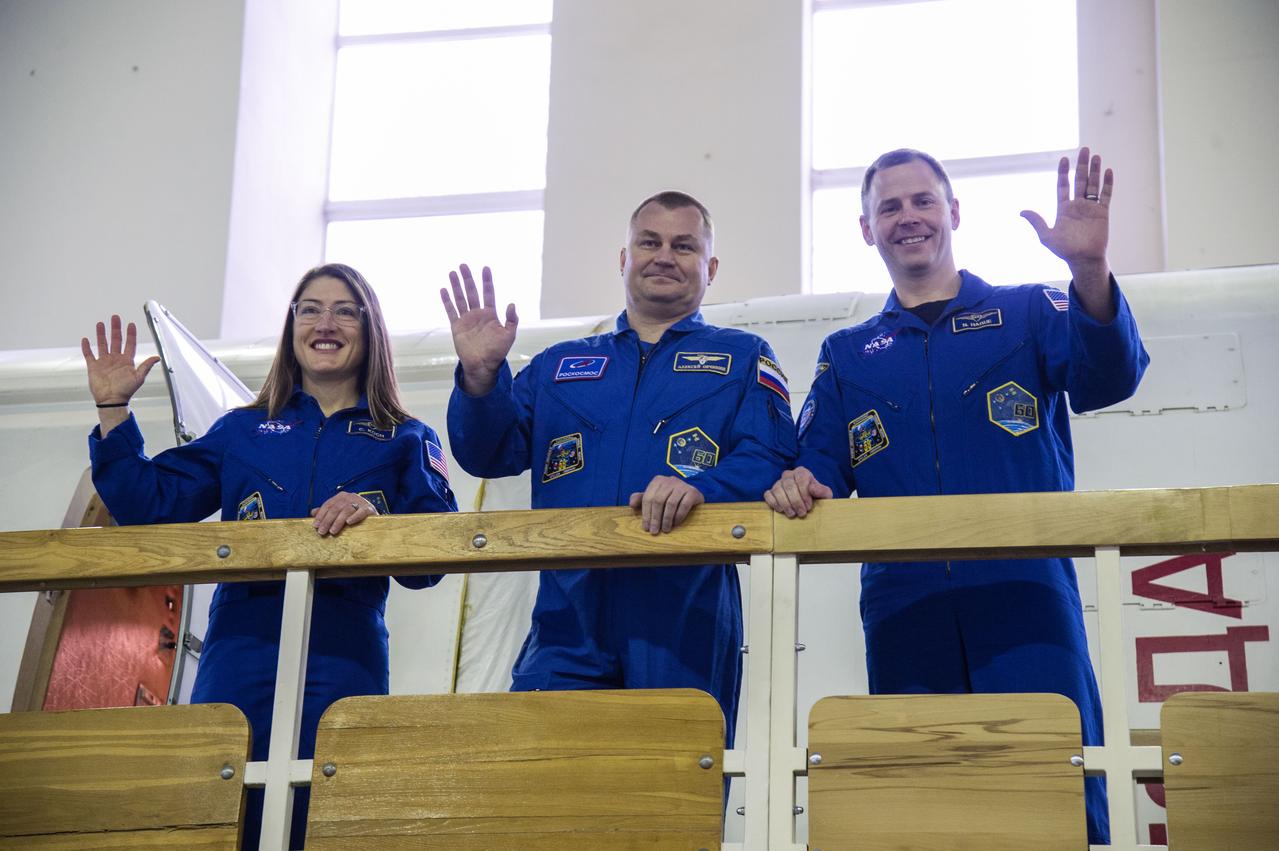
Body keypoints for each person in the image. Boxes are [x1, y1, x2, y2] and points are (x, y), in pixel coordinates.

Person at [764, 148, 1149, 844]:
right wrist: (797, 481)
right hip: (904, 609)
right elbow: (816, 464)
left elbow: (1110, 376)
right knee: (924, 809)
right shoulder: (848, 353)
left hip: (1027, 598)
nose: (907, 217)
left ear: (953, 213)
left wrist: (1088, 268)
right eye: (889, 206)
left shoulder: (1028, 310)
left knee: (1051, 800)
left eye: (921, 201)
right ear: (865, 228)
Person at [82, 263, 457, 849]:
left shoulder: (406, 436)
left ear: (369, 329)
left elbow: (434, 558)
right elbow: (150, 505)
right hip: (242, 645)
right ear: (292, 328)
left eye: (344, 309)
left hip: (344, 647)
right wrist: (112, 413)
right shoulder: (242, 430)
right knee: (222, 799)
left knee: (327, 804)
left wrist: (378, 524)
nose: (324, 322)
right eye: (309, 308)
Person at [441, 191, 797, 744]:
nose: (664, 256)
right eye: (648, 242)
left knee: (677, 792)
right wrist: (481, 378)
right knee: (542, 787)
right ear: (623, 257)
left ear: (711, 267)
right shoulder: (559, 366)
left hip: (686, 612)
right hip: (564, 617)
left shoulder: (744, 356)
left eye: (685, 246)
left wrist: (702, 489)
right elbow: (489, 453)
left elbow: (772, 455)